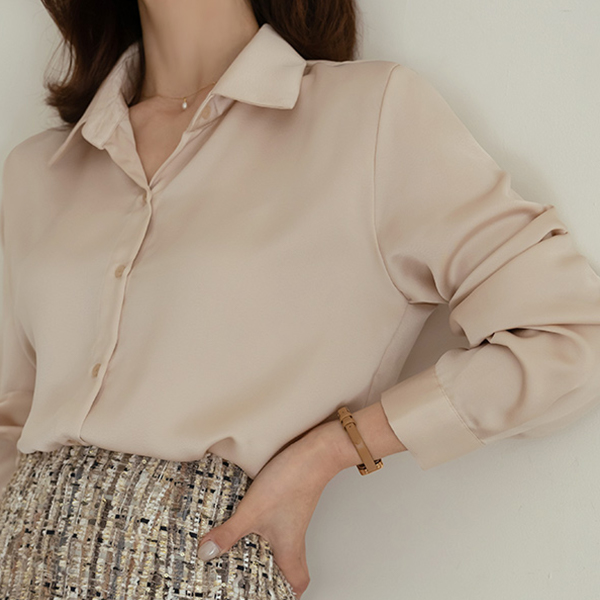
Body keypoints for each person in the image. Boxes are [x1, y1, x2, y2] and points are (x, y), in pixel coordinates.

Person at [1, 0, 600, 598]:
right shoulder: (36, 170)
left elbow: (570, 335)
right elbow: (11, 418)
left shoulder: (369, 117)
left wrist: (338, 446)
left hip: (199, 562)